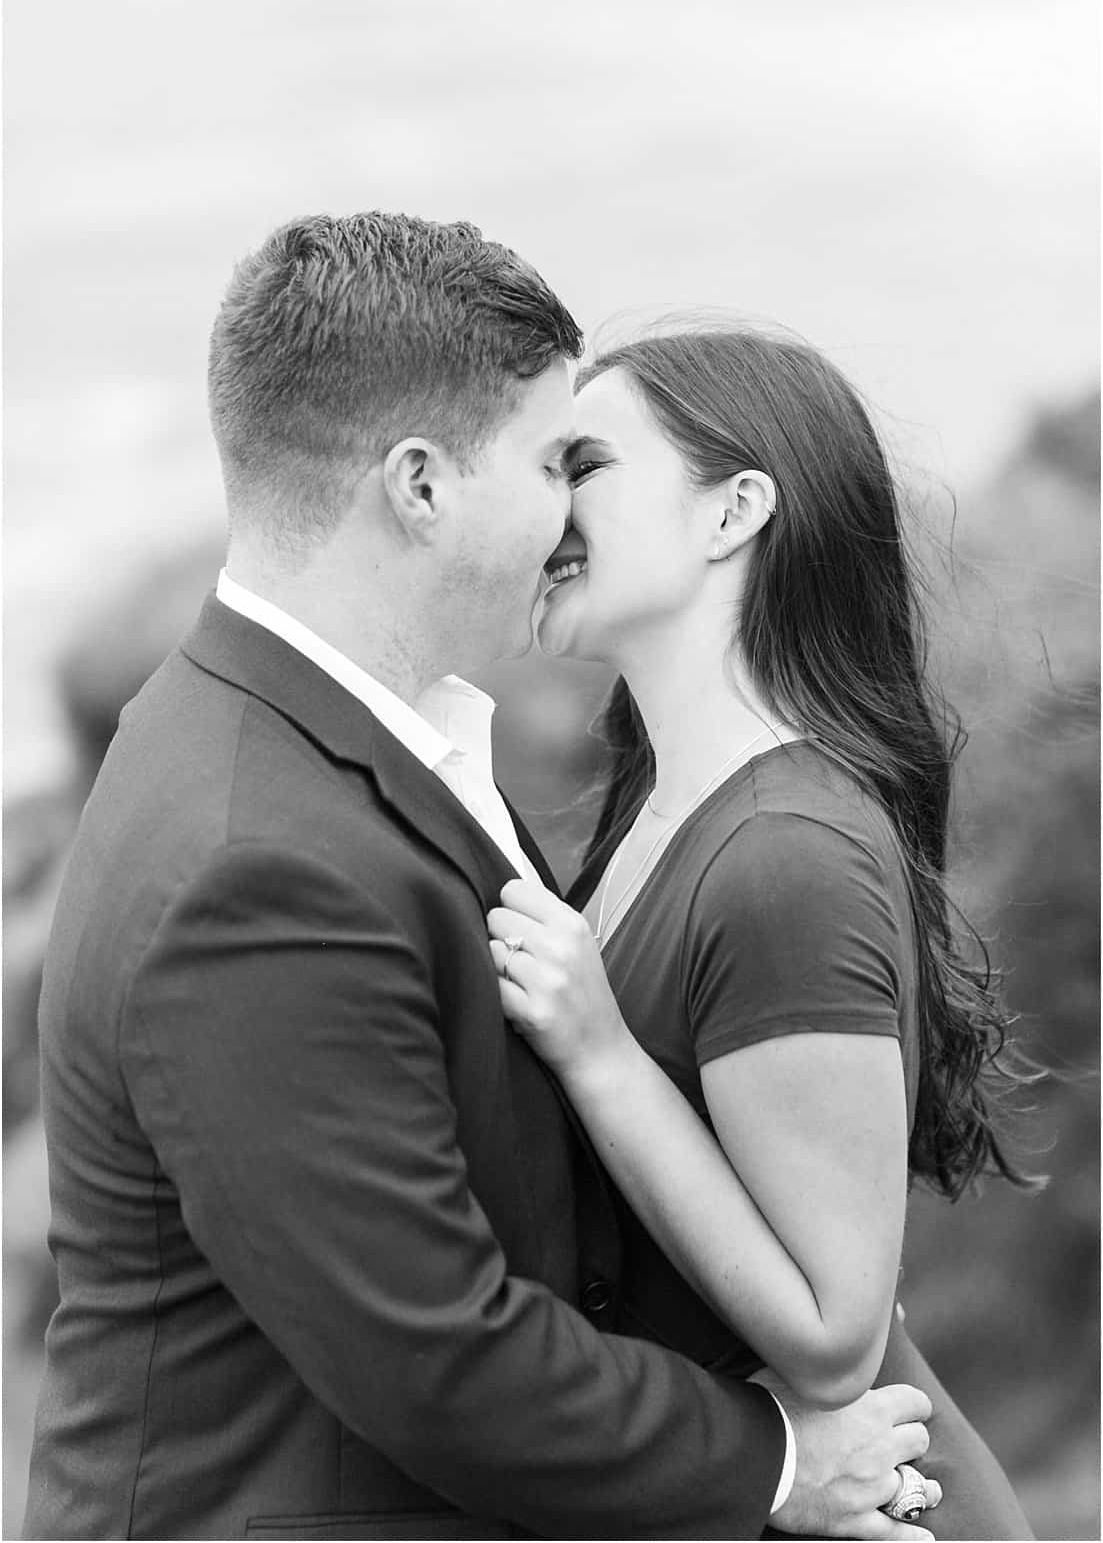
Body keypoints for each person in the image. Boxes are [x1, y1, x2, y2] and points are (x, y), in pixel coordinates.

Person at [23, 215, 938, 1541]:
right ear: (420, 486)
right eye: (551, 458)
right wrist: (781, 1461)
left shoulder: (368, 740)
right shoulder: (257, 864)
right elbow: (442, 1359)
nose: (569, 506)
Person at [487, 327, 1037, 1541]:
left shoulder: (786, 852)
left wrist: (599, 1057)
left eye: (582, 463)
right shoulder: (659, 809)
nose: (544, 504)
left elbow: (834, 1332)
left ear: (732, 511)